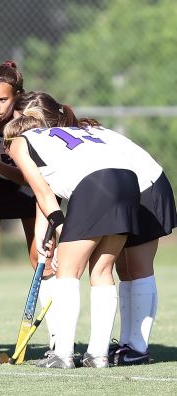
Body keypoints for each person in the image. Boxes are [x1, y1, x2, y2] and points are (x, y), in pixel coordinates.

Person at [3, 92, 142, 369]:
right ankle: (98, 354)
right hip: (128, 182)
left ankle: (63, 353)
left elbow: (43, 193)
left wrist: (61, 225)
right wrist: (50, 231)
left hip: (95, 186)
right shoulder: (67, 134)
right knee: (102, 272)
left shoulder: (18, 142)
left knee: (67, 273)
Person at [75, 120, 177, 366]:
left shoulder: (71, 137)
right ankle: (127, 345)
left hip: (146, 187)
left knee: (137, 267)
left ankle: (137, 347)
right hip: (123, 190)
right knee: (123, 269)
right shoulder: (68, 135)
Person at [0, 63, 57, 352]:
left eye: (3, 100)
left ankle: (57, 338)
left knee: (41, 259)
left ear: (17, 96)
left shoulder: (28, 122)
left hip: (30, 190)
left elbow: (29, 175)